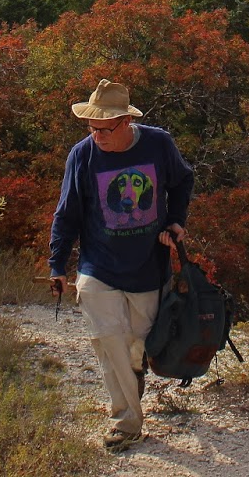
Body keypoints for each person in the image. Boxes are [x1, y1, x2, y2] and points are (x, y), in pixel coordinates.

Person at [49, 79, 194, 453]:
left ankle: (136, 366)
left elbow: (183, 180)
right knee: (108, 342)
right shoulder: (82, 156)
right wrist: (57, 265)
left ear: (126, 122)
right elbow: (66, 214)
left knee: (141, 342)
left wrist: (175, 222)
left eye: (104, 129)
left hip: (148, 266)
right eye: (91, 128)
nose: (96, 136)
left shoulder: (158, 144)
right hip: (98, 265)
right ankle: (126, 423)